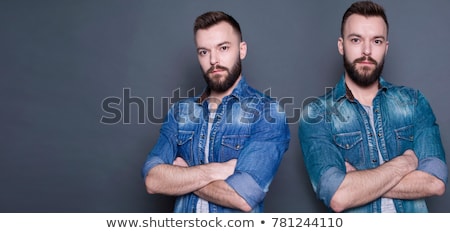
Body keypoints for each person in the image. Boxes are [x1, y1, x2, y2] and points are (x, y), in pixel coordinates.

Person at [298, 1, 447, 213]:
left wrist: (357, 181)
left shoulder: (414, 102)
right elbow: (338, 196)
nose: (366, 51)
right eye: (356, 40)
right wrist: (404, 163)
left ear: (386, 47)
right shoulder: (316, 114)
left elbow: (435, 181)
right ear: (342, 45)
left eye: (376, 41)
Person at [141, 11, 290, 213]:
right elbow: (153, 180)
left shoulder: (268, 113)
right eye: (204, 52)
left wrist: (183, 175)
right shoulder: (180, 112)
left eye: (223, 48)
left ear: (242, 50)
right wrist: (216, 171)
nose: (213, 60)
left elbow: (243, 197)